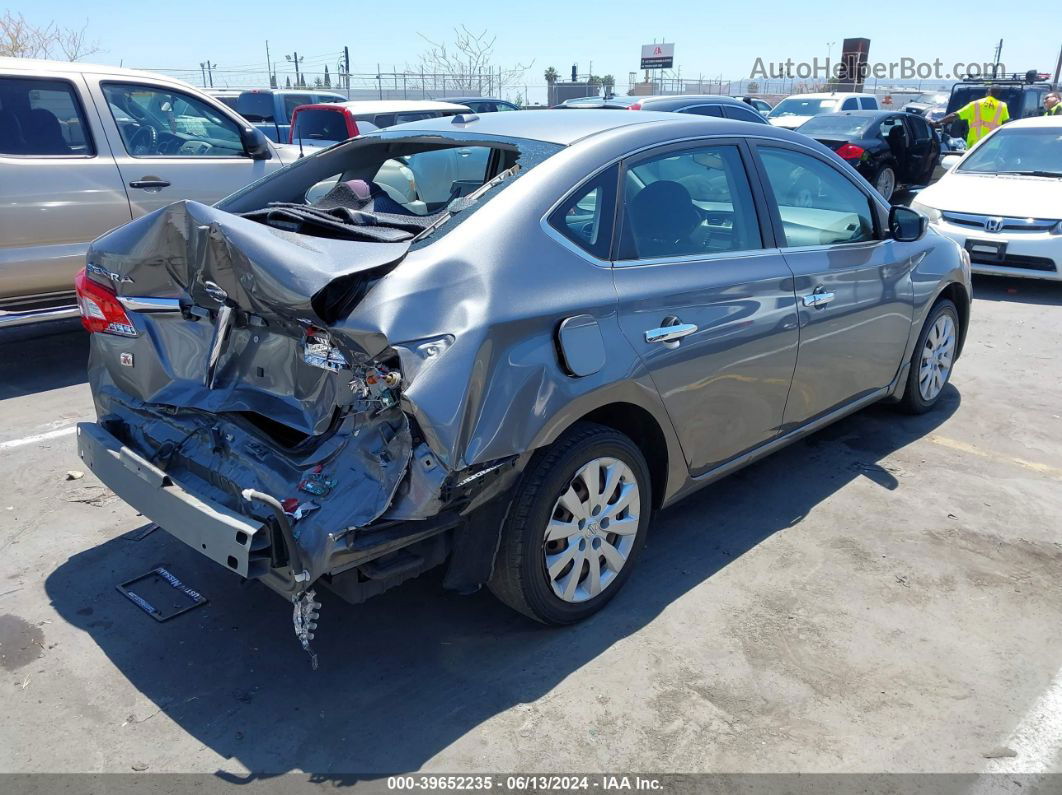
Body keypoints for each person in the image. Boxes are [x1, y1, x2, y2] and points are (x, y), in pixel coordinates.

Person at [932, 86, 1010, 148]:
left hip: (974, 145)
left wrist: (938, 122)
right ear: (998, 94)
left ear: (988, 92)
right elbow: (1007, 124)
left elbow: (954, 115)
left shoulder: (975, 104)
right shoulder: (1002, 106)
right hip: (993, 144)